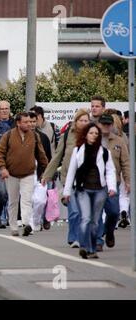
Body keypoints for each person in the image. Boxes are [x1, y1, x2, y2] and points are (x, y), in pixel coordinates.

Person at [63, 123, 117, 259]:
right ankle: (83, 246)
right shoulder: (78, 150)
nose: (93, 135)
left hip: (100, 190)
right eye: (91, 133)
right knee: (85, 218)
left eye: (96, 133)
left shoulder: (104, 152)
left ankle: (92, 249)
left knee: (94, 221)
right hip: (83, 189)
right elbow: (71, 172)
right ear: (85, 135)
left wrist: (112, 187)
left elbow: (110, 171)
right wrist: (67, 192)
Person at [42, 109, 90, 248]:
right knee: (74, 211)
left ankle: (85, 238)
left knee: (85, 212)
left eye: (86, 120)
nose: (83, 123)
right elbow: (57, 156)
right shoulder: (68, 134)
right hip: (70, 178)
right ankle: (74, 237)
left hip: (88, 179)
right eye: (81, 120)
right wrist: (47, 175)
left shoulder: (93, 134)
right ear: (76, 121)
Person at [0, 112, 48, 236]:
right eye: (25, 122)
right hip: (11, 174)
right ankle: (13, 227)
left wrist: (45, 171)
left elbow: (41, 155)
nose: (29, 124)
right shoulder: (7, 136)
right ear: (18, 123)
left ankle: (25, 224)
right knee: (13, 201)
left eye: (30, 122)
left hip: (28, 173)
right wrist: (2, 168)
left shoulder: (34, 136)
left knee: (27, 200)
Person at [96, 114, 131, 250]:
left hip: (113, 183)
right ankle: (98, 241)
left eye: (108, 124)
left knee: (113, 212)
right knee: (97, 213)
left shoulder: (118, 141)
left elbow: (126, 163)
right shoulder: (93, 139)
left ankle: (109, 231)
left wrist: (128, 181)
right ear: (98, 124)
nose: (105, 127)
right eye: (103, 124)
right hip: (96, 183)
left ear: (112, 126)